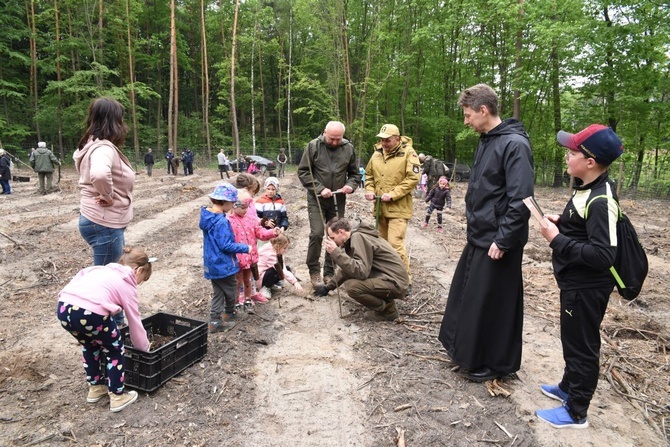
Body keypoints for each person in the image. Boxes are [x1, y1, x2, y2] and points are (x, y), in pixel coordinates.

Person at [438, 83, 534, 382]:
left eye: (468, 115)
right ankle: (469, 353)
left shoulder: (514, 145)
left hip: (498, 240)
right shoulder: (487, 140)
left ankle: (494, 363)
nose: (466, 122)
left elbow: (520, 199)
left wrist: (503, 239)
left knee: (495, 303)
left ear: (483, 110)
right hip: (481, 235)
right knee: (471, 296)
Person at [534, 124, 624, 429]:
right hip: (575, 283)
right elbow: (582, 227)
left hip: (587, 286)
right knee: (572, 339)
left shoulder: (601, 201)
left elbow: (603, 255)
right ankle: (568, 387)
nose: (567, 157)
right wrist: (563, 222)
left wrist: (556, 239)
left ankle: (576, 411)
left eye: (572, 152)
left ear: (590, 162)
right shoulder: (586, 190)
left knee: (582, 346)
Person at [56, 246, 153, 413]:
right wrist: (143, 348)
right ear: (139, 270)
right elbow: (134, 322)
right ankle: (117, 396)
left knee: (90, 345)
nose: (139, 284)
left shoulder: (98, 269)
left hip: (64, 308)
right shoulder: (127, 285)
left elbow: (78, 281)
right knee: (114, 349)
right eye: (142, 279)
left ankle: (95, 387)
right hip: (90, 313)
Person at [74, 97, 135, 326]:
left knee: (109, 272)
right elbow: (99, 174)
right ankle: (103, 325)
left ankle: (115, 318)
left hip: (100, 221)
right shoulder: (103, 148)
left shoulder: (89, 144)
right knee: (103, 278)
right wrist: (108, 196)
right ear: (114, 121)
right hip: (104, 222)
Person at [297, 120, 361, 288]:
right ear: (324, 133)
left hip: (337, 198)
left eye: (337, 139)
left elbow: (355, 174)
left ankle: (329, 271)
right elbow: (303, 172)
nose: (334, 142)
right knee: (318, 233)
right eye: (331, 138)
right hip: (317, 198)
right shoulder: (313, 146)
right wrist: (319, 188)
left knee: (336, 235)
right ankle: (314, 270)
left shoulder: (348, 148)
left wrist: (350, 185)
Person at [314, 217, 408, 321]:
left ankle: (387, 310)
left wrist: (336, 252)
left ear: (341, 232)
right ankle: (386, 302)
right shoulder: (354, 236)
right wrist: (328, 288)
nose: (332, 241)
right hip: (388, 277)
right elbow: (348, 269)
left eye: (332, 238)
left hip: (395, 282)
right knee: (353, 281)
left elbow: (361, 271)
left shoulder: (358, 237)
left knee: (352, 287)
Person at [364, 123, 420, 295]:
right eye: (381, 140)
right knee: (381, 245)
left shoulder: (409, 153)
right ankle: (386, 276)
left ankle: (405, 280)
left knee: (395, 244)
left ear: (397, 138)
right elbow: (369, 175)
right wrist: (369, 190)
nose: (384, 143)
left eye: (387, 140)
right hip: (379, 208)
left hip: (399, 208)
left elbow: (413, 178)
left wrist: (393, 194)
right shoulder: (376, 154)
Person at [199, 183, 253, 333]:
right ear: (225, 202)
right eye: (231, 203)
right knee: (231, 289)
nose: (232, 206)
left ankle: (215, 322)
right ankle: (228, 314)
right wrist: (245, 248)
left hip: (211, 264)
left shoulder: (207, 216)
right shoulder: (221, 221)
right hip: (223, 264)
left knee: (218, 292)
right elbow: (226, 245)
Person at [229, 188, 281, 308]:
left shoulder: (251, 219)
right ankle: (236, 301)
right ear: (234, 205)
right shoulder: (229, 221)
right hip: (238, 258)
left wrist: (272, 232)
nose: (245, 210)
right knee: (238, 281)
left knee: (248, 279)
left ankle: (248, 298)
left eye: (247, 207)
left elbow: (260, 233)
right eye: (243, 207)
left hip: (250, 257)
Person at [255, 234, 304, 300]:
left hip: (265, 273)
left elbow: (283, 267)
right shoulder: (270, 255)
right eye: (284, 248)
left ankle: (272, 284)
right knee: (276, 271)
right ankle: (265, 288)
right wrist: (295, 282)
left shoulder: (274, 250)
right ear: (278, 246)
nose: (285, 250)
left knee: (287, 268)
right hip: (260, 279)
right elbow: (281, 269)